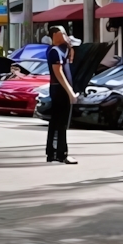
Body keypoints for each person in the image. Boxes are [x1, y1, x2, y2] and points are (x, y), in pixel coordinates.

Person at [45, 26, 77, 164]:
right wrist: (70, 91)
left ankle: (52, 152)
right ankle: (61, 153)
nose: (64, 35)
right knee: (61, 123)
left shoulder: (63, 50)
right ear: (53, 35)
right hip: (59, 90)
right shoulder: (54, 51)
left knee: (56, 122)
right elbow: (58, 73)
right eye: (61, 33)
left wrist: (70, 48)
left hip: (59, 89)